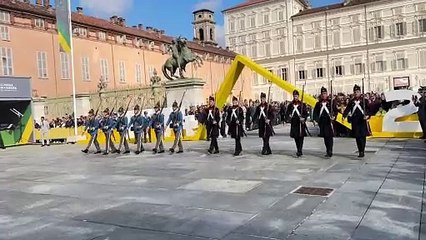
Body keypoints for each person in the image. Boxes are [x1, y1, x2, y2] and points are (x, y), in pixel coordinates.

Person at [343, 84, 371, 158]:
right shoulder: (352, 101)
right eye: (355, 92)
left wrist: (367, 115)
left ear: (360, 92)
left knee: (363, 136)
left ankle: (362, 150)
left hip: (362, 120)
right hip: (355, 121)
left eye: (358, 92)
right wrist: (344, 116)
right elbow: (347, 109)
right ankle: (360, 150)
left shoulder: (364, 101)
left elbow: (369, 109)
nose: (356, 93)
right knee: (357, 137)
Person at [313, 87, 336, 158]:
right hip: (322, 122)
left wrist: (334, 117)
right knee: (325, 137)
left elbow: (335, 111)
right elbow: (315, 113)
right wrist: (316, 120)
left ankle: (330, 150)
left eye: (325, 93)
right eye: (323, 94)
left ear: (327, 94)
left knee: (330, 137)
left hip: (329, 121)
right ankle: (327, 149)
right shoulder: (318, 103)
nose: (324, 95)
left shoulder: (331, 102)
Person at [285, 90, 308, 157]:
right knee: (296, 137)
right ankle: (298, 149)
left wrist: (303, 118)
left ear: (298, 96)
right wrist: (289, 116)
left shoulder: (302, 104)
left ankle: (299, 150)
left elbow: (305, 114)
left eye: (296, 96)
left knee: (301, 137)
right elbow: (287, 113)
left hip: (300, 123)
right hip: (294, 123)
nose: (295, 97)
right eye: (294, 96)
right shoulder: (290, 105)